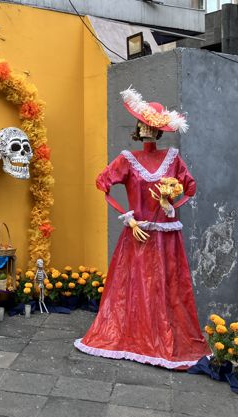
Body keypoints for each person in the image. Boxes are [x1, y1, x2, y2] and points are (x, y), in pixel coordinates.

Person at [74, 87, 210, 369]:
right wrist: (129, 218)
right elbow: (103, 184)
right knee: (134, 286)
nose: (146, 128)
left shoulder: (172, 158)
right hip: (138, 234)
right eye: (142, 123)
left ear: (159, 130)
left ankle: (164, 336)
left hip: (166, 235)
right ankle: (135, 336)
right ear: (137, 126)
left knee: (167, 286)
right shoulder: (127, 158)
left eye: (151, 125)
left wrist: (171, 205)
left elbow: (190, 187)